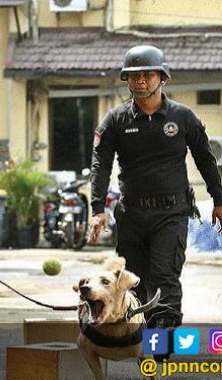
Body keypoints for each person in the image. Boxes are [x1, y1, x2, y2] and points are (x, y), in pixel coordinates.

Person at [89, 45, 222, 337]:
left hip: (171, 213)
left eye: (148, 74)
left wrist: (218, 198)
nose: (141, 81)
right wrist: (97, 209)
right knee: (134, 282)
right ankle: (143, 339)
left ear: (162, 77)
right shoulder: (115, 121)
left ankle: (159, 345)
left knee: (164, 276)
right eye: (134, 75)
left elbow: (204, 157)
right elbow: (100, 164)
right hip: (132, 215)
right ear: (127, 80)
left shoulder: (183, 117)